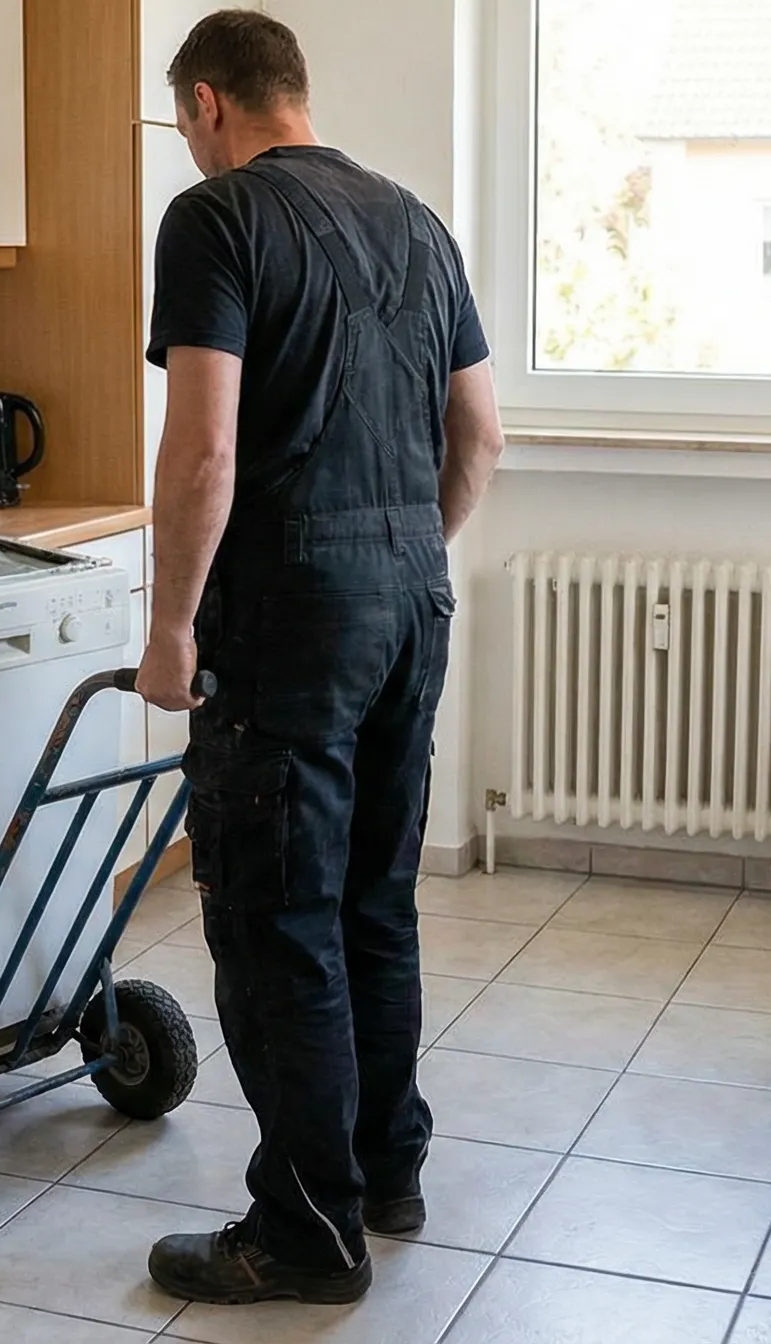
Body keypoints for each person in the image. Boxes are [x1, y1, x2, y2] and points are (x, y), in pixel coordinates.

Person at [131, 9, 504, 1307]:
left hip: (289, 617)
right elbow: (480, 437)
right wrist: (403, 556)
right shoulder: (415, 220)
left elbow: (205, 449)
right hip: (409, 597)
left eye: (184, 126)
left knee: (277, 920)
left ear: (207, 105)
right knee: (372, 902)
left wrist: (172, 625)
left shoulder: (217, 220)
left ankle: (304, 1231)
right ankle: (383, 1167)